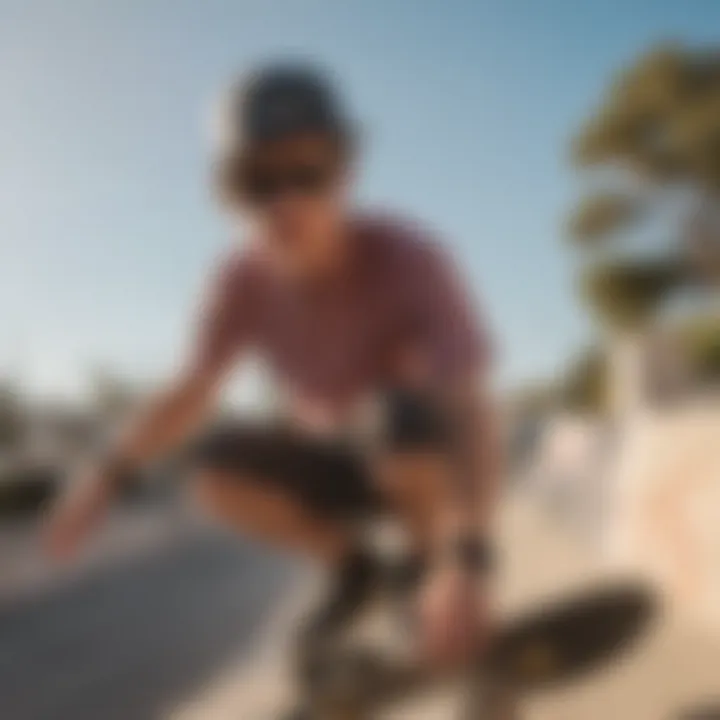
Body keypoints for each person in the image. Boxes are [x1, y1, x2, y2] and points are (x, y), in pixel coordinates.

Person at [45, 62, 501, 668]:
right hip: (330, 460)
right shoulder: (238, 282)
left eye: (308, 173)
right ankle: (357, 570)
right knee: (212, 469)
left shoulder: (410, 257)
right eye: (258, 183)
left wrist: (467, 556)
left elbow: (469, 406)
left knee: (402, 420)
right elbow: (191, 391)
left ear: (348, 173)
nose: (285, 203)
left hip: (415, 457)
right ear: (229, 198)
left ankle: (428, 576)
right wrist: (105, 474)